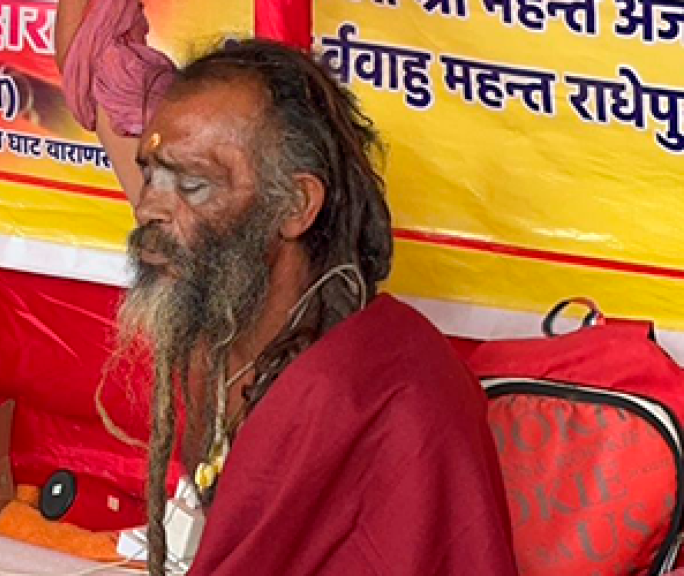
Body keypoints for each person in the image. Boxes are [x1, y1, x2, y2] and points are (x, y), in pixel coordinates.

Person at [56, 2, 519, 574]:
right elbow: (88, 54)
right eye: (151, 173)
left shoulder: (374, 397)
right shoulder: (219, 311)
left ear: (296, 205)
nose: (150, 205)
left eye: (193, 184)